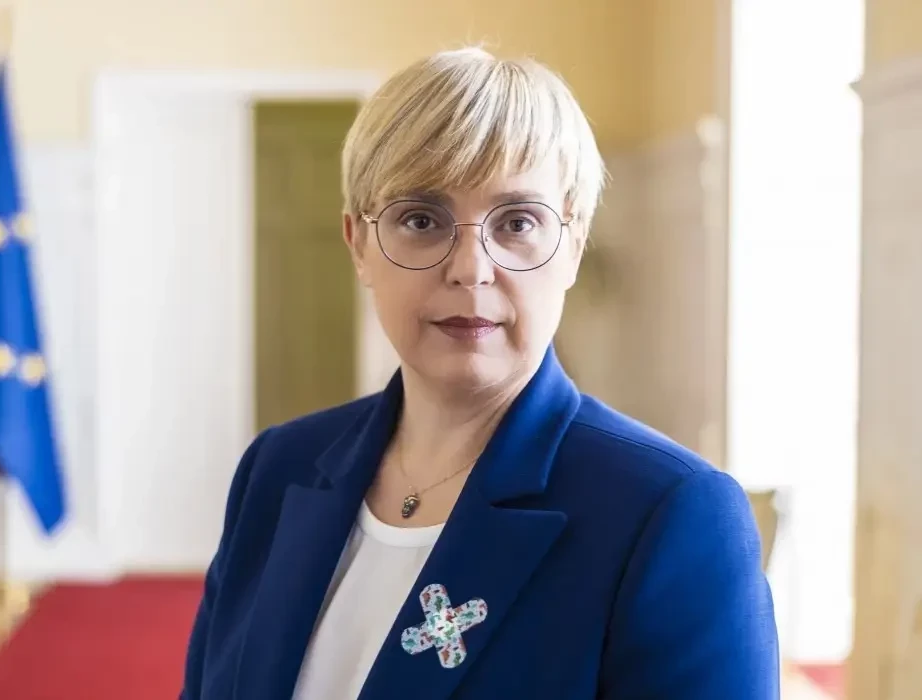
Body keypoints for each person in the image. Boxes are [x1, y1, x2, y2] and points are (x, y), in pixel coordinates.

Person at [181, 47, 779, 699]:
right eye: (421, 219)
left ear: (573, 244)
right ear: (359, 244)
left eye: (517, 222)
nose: (471, 268)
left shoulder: (669, 512)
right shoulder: (278, 469)